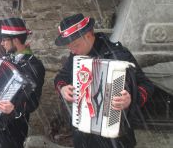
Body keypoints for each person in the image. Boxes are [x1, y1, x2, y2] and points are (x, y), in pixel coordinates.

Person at [54, 13, 154, 148]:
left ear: (89, 35)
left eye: (75, 45)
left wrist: (131, 100)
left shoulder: (118, 54)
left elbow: (146, 85)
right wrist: (63, 88)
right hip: (83, 136)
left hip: (115, 137)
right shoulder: (75, 57)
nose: (72, 51)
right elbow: (60, 78)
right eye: (69, 47)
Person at [0, 17, 45, 148]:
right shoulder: (4, 59)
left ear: (16, 40)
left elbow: (33, 102)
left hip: (11, 131)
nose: (1, 43)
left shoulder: (34, 66)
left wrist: (15, 109)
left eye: (4, 39)